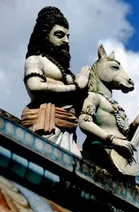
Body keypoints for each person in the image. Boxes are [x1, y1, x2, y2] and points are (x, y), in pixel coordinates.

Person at [20, 6, 90, 156]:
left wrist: (84, 89)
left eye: (68, 36)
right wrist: (75, 88)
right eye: (59, 35)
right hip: (47, 125)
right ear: (44, 36)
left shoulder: (67, 73)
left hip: (69, 130)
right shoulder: (35, 60)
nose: (66, 41)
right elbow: (34, 86)